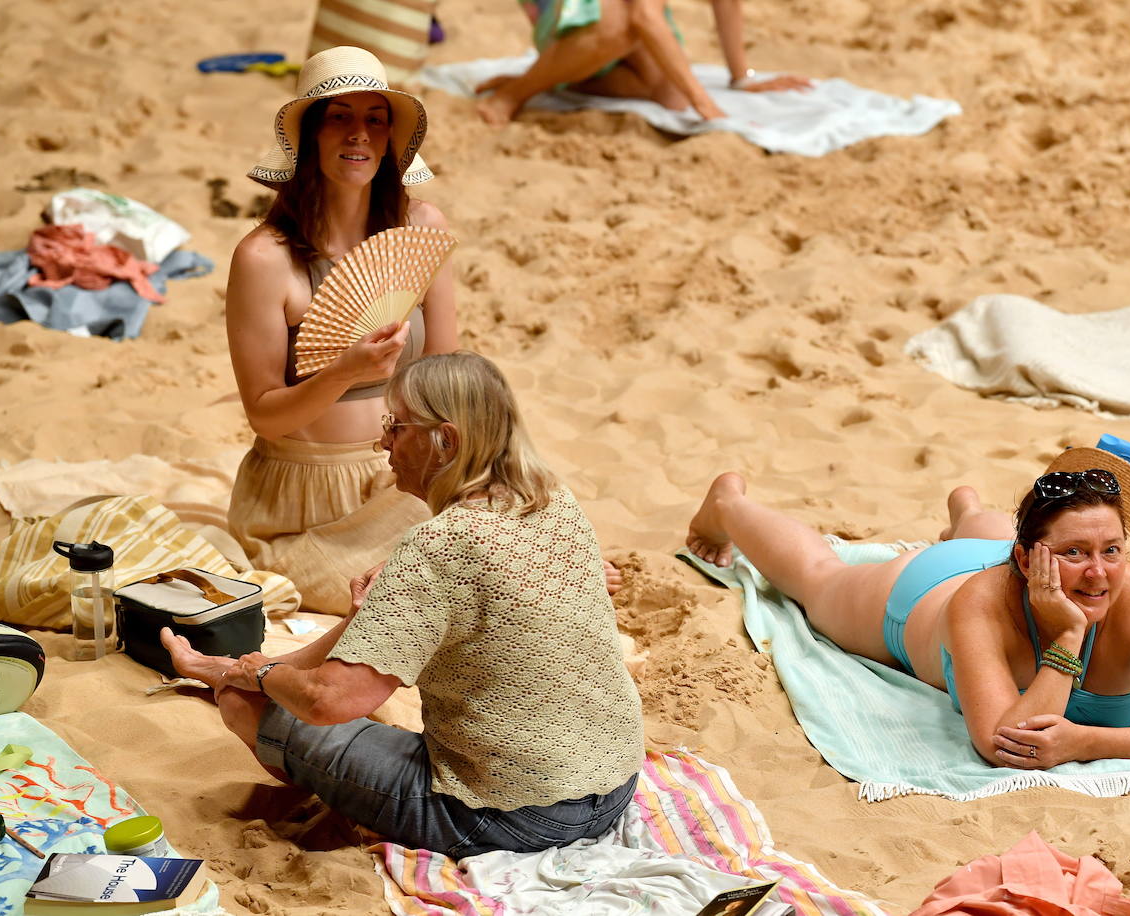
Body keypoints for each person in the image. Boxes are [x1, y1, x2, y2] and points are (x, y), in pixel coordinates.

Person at [162, 351, 645, 856]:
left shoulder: (442, 545)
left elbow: (330, 702)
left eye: (396, 426)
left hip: (512, 816)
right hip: (611, 783)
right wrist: (237, 665)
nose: (383, 442)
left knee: (246, 705)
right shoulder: (552, 500)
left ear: (447, 440)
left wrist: (255, 675)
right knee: (259, 686)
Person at [685, 449, 1130, 770]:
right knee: (820, 581)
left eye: (1111, 550)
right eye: (1075, 552)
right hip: (926, 593)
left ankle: (967, 512)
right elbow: (1004, 743)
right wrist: (1067, 637)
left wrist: (1087, 740)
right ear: (1027, 559)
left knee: (998, 539)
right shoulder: (978, 601)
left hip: (1008, 556)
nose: (1098, 572)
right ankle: (728, 504)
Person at [227, 45, 453, 615]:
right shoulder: (265, 259)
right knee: (413, 594)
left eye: (374, 120)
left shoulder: (420, 227)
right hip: (306, 499)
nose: (359, 135)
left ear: (391, 139)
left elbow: (449, 374)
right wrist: (343, 373)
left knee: (505, 553)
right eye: (339, 117)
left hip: (409, 473)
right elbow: (264, 413)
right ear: (310, 138)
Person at [476, 0, 812, 125]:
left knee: (671, 96)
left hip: (628, 19)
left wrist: (742, 77)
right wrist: (704, 102)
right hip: (575, 15)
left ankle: (552, 76)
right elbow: (644, 17)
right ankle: (514, 93)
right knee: (621, 25)